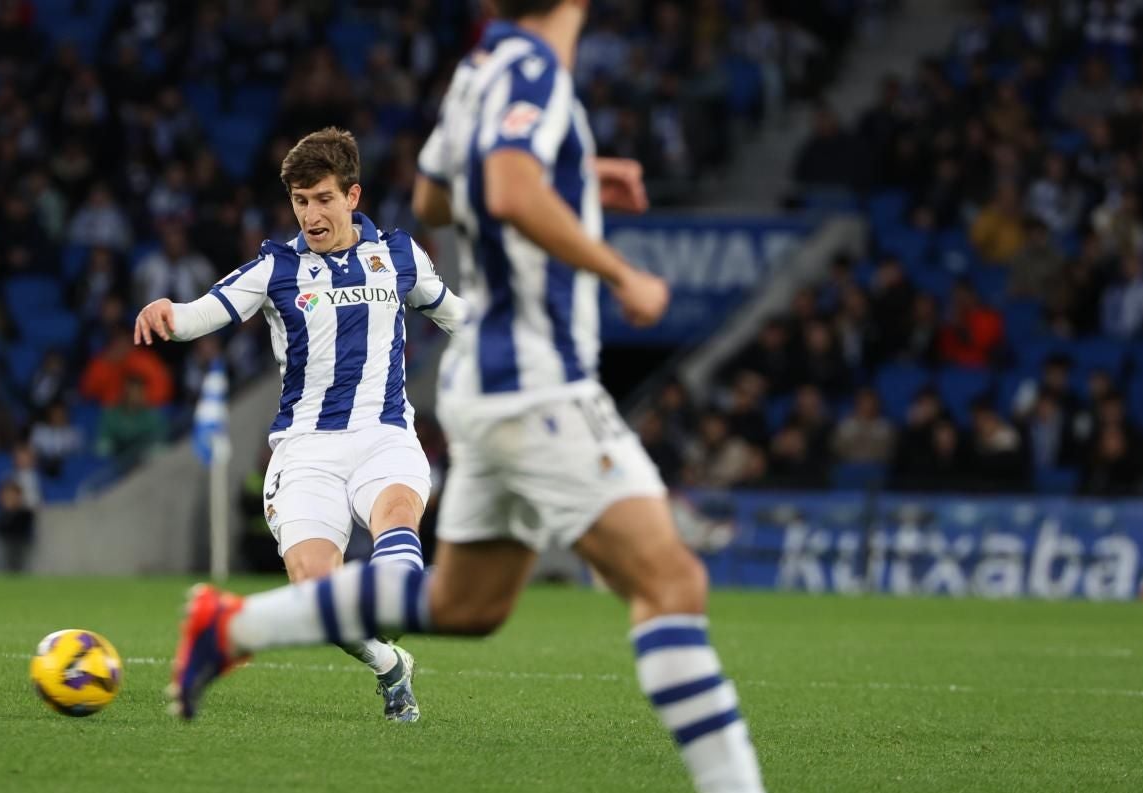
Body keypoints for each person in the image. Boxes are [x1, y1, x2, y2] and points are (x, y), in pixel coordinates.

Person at [161, 4, 765, 791]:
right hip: (532, 380)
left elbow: (442, 198)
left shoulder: (476, 76)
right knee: (673, 582)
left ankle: (233, 623)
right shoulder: (534, 74)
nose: (312, 213)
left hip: (475, 390)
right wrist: (622, 272)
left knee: (465, 603)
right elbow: (510, 189)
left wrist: (576, 185)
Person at [135, 127, 468, 723]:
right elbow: (199, 316)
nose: (310, 214)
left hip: (383, 435)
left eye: (322, 199)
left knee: (395, 523)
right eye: (299, 201)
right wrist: (168, 312)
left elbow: (455, 317)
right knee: (317, 595)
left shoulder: (398, 255)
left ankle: (417, 588)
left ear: (352, 196)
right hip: (305, 449)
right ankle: (392, 665)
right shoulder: (276, 268)